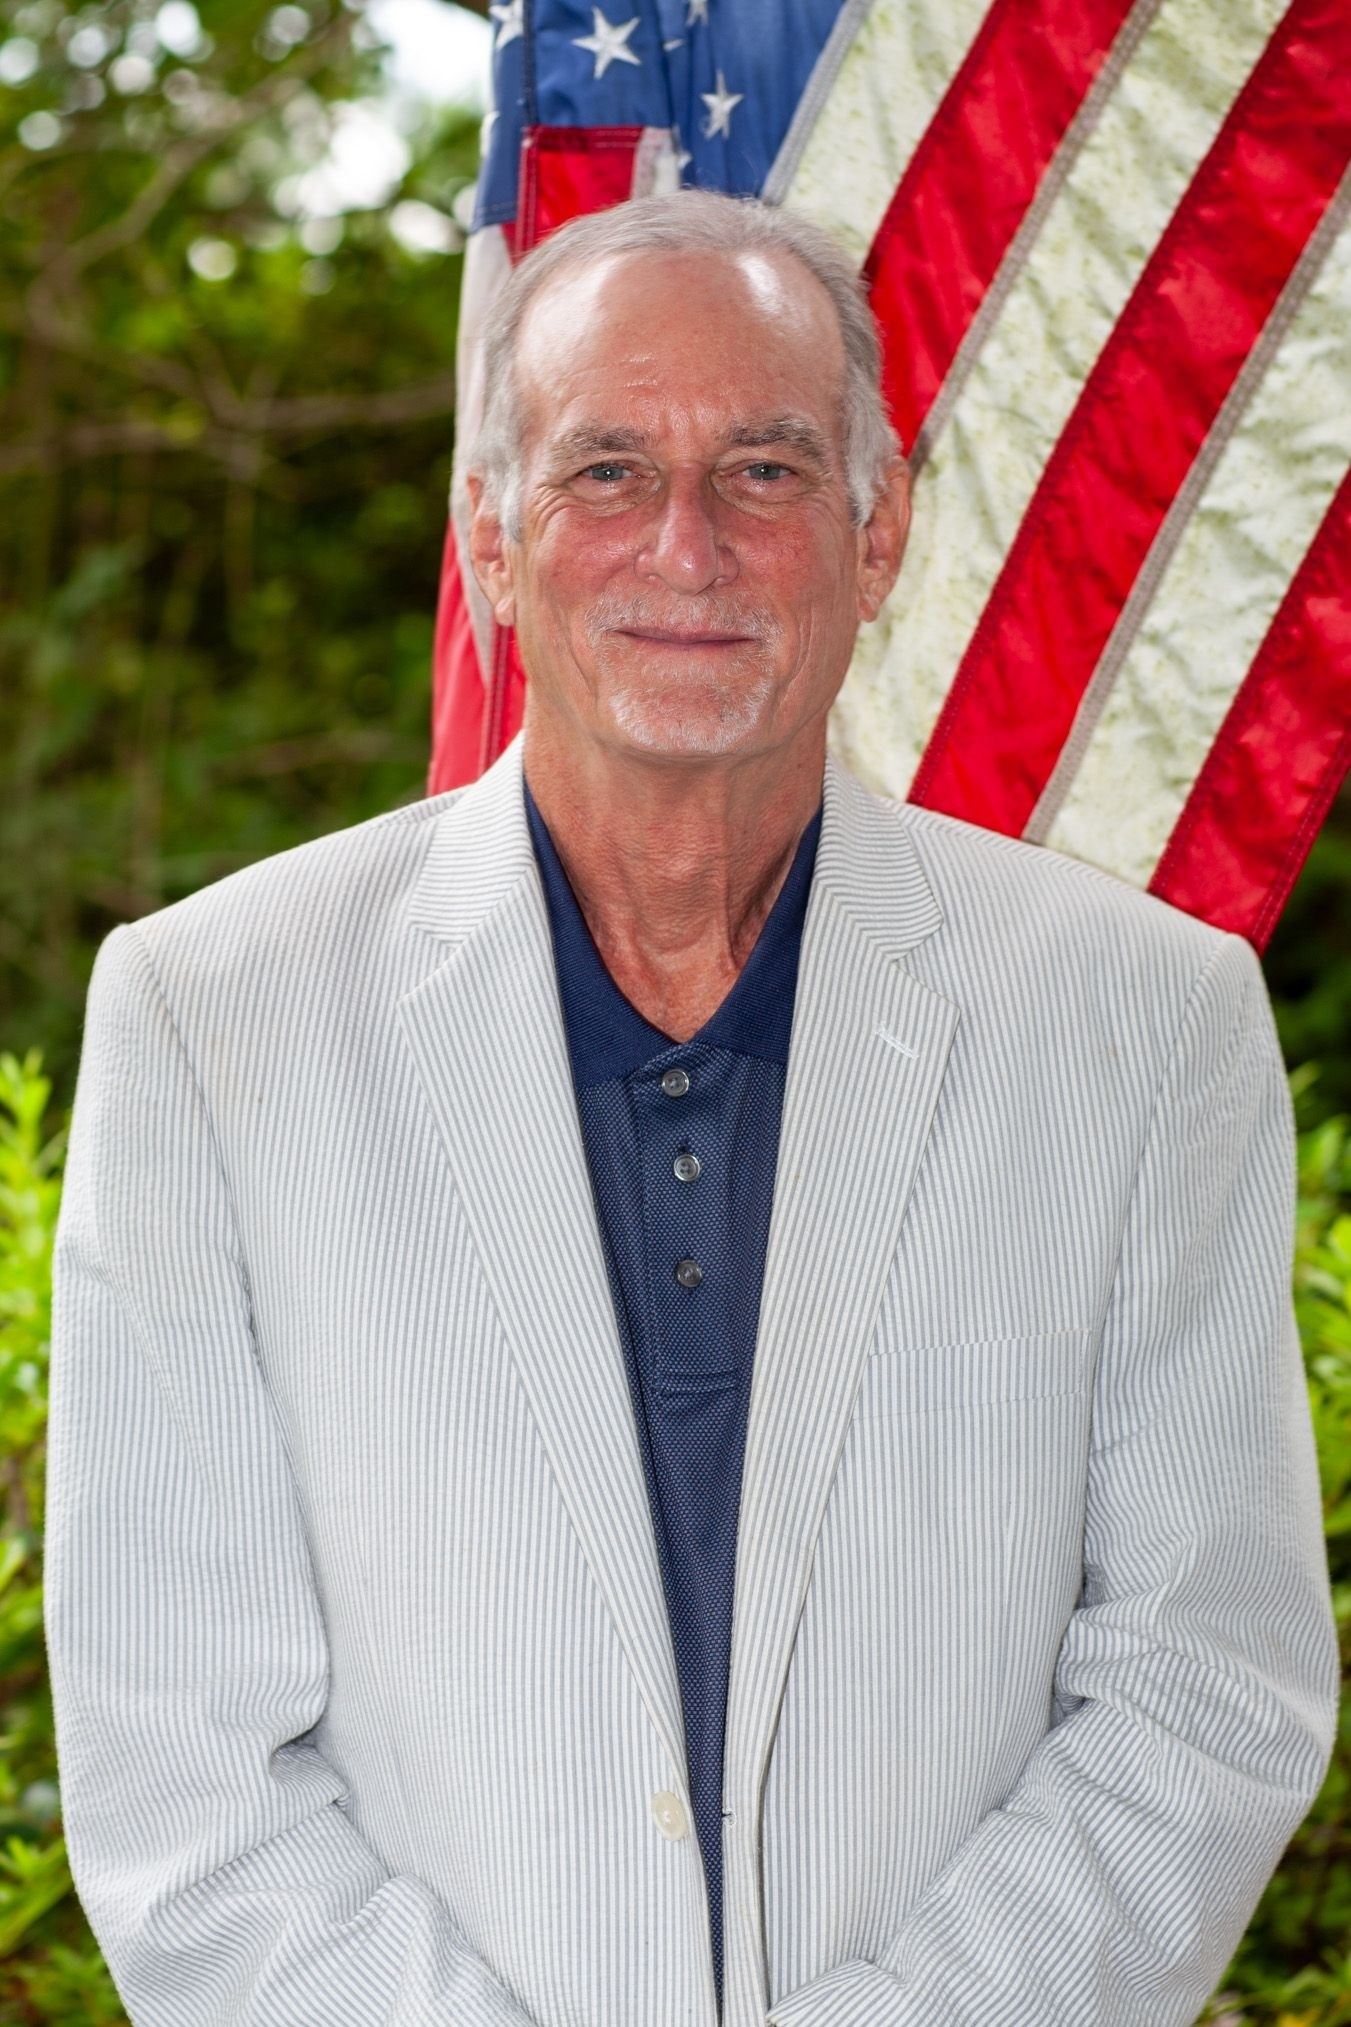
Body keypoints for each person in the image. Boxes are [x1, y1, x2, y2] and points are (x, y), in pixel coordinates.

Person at [46, 189, 1337, 2027]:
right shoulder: (209, 1021)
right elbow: (184, 1776)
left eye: (764, 470)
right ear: (490, 539)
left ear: (877, 532)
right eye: (603, 473)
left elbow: (1206, 1691)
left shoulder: (1145, 1025)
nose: (689, 547)